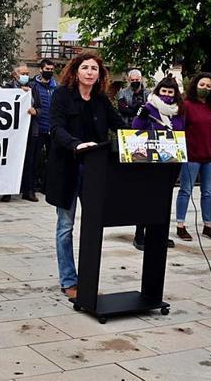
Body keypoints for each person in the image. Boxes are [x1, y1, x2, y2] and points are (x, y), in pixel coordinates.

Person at [46, 51, 125, 300]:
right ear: (75, 71)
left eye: (94, 69)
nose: (90, 72)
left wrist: (141, 137)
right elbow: (55, 127)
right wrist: (75, 144)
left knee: (93, 225)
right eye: (86, 68)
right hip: (68, 167)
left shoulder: (101, 99)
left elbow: (119, 125)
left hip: (95, 170)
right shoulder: (61, 95)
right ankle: (69, 280)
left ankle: (88, 278)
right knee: (65, 226)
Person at [130, 75, 184, 250]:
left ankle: (160, 234)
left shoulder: (179, 110)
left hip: (171, 158)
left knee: (165, 197)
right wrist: (141, 115)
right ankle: (140, 234)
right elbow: (135, 128)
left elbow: (182, 128)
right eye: (164, 91)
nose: (167, 95)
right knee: (147, 196)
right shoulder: (149, 106)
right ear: (158, 91)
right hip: (151, 157)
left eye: (170, 92)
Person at [174, 73, 211, 242]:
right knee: (186, 190)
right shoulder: (186, 105)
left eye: (208, 86)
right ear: (195, 85)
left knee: (208, 192)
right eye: (202, 85)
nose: (205, 88)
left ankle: (208, 225)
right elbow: (179, 129)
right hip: (192, 155)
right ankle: (180, 225)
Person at [4, 64, 41, 202]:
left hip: (31, 130)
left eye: (27, 73)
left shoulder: (34, 89)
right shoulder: (7, 88)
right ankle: (7, 190)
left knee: (30, 162)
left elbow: (40, 107)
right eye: (22, 73)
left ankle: (28, 191)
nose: (26, 75)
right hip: (12, 132)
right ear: (15, 75)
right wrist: (19, 91)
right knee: (10, 160)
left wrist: (35, 111)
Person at [29, 59, 58, 196]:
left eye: (51, 70)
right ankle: (31, 187)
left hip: (52, 128)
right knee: (35, 159)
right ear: (41, 69)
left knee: (52, 159)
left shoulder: (55, 86)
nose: (49, 72)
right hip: (37, 127)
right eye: (47, 69)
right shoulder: (32, 85)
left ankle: (47, 187)